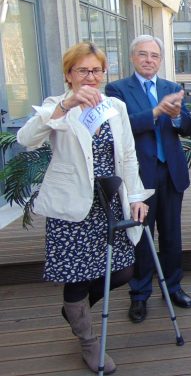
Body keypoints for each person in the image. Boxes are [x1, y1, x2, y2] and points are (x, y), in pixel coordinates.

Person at [17, 43, 151, 374]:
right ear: (68, 74)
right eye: (82, 70)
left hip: (109, 203)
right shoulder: (55, 107)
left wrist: (136, 197)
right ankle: (89, 343)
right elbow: (25, 138)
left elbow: (129, 155)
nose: (91, 77)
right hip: (72, 208)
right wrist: (65, 105)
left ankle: (76, 311)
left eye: (96, 70)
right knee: (77, 278)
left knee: (122, 271)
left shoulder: (115, 106)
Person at [105, 35, 191, 323]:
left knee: (172, 235)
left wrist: (179, 116)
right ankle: (140, 294)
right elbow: (120, 128)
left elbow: (189, 127)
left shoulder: (171, 87)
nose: (149, 60)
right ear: (133, 57)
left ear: (160, 59)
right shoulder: (117, 89)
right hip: (139, 175)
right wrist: (156, 112)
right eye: (143, 55)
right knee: (142, 236)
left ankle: (173, 287)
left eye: (154, 56)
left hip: (171, 172)